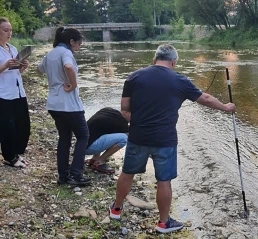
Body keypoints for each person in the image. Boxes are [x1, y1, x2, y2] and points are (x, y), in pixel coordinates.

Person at [109, 44, 236, 233]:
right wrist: (225, 107)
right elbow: (206, 99)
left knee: (127, 172)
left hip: (138, 136)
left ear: (155, 59)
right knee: (164, 181)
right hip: (164, 140)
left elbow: (125, 109)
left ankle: (116, 209)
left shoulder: (134, 77)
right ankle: (163, 223)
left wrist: (140, 122)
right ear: (174, 61)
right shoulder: (180, 80)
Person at [37, 27, 90, 186]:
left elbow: (39, 70)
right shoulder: (66, 52)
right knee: (83, 136)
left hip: (54, 104)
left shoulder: (51, 53)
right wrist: (73, 84)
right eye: (79, 44)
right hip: (69, 104)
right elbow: (68, 67)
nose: (79, 48)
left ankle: (63, 176)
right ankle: (76, 174)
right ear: (71, 42)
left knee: (64, 138)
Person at [0, 17, 30, 168]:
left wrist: (22, 66)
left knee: (23, 125)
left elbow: (17, 72)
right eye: (5, 30)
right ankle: (9, 157)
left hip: (18, 92)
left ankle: (17, 153)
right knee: (8, 127)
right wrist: (5, 65)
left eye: (10, 30)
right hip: (3, 94)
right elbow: (4, 69)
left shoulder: (12, 48)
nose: (9, 33)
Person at [85, 107, 129, 174]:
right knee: (124, 138)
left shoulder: (107, 110)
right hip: (89, 148)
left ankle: (95, 158)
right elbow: (132, 133)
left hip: (81, 145)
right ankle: (99, 162)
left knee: (102, 130)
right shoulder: (121, 123)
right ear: (125, 113)